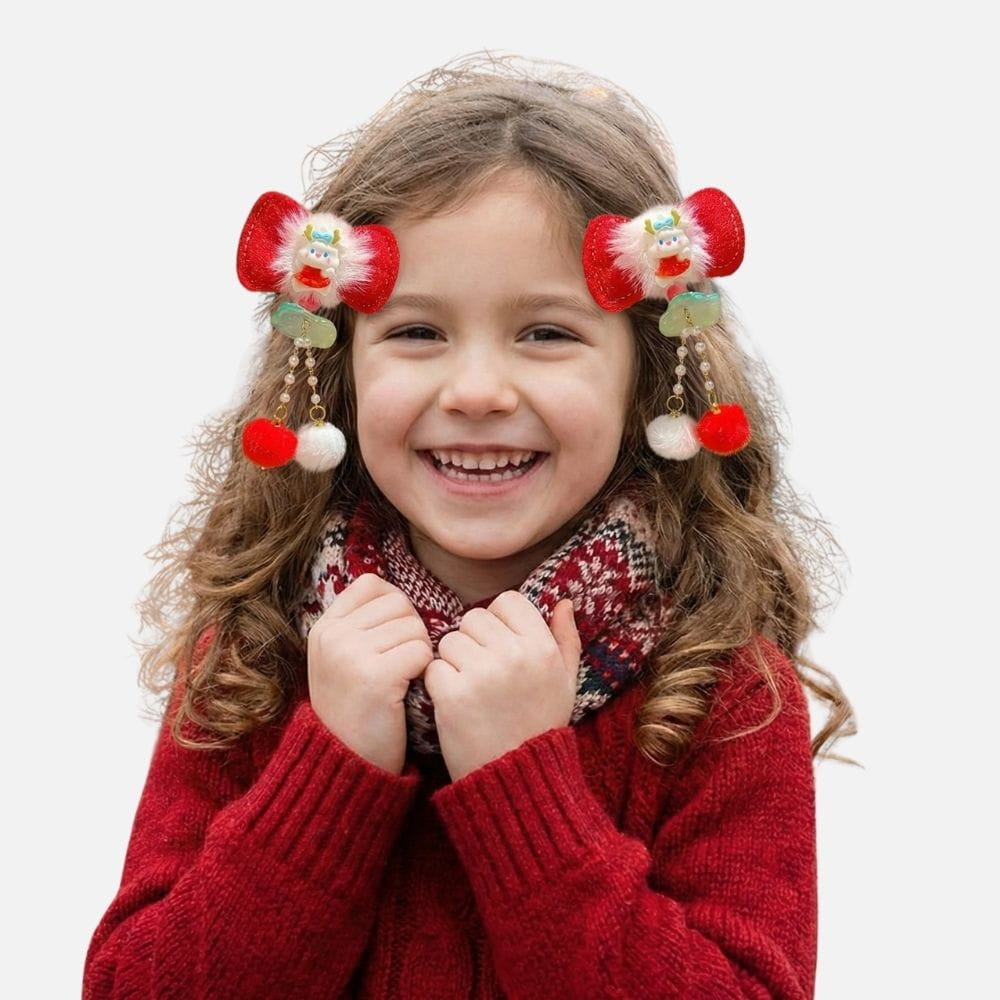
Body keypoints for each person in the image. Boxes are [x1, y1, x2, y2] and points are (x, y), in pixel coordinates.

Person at [83, 52, 856, 1000]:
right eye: (416, 331)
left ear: (646, 375)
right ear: (339, 370)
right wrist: (332, 765)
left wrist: (525, 787)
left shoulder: (718, 687)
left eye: (547, 333)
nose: (479, 391)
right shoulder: (259, 649)